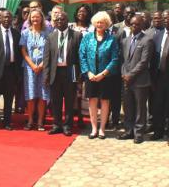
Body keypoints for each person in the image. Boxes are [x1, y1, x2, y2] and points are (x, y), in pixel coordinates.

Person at [80, 11, 119, 139]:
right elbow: (82, 56)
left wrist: (103, 73)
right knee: (92, 101)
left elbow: (115, 58)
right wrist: (88, 72)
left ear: (107, 24)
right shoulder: (87, 38)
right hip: (91, 76)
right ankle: (94, 129)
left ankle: (102, 129)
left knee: (105, 102)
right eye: (97, 22)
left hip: (106, 76)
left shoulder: (112, 39)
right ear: (94, 23)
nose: (99, 24)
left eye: (102, 22)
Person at [44, 12, 82, 136]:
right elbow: (47, 58)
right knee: (56, 101)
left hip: (70, 71)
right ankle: (56, 124)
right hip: (55, 72)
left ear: (67, 21)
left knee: (70, 101)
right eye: (57, 20)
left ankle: (67, 125)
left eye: (62, 19)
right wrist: (46, 76)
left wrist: (79, 77)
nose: (59, 21)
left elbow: (79, 58)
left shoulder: (76, 35)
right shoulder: (51, 37)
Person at [117, 15, 153, 144]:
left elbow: (144, 62)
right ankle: (128, 131)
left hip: (140, 81)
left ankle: (138, 133)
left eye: (137, 24)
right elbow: (122, 60)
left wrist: (130, 75)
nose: (134, 26)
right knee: (128, 107)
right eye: (132, 24)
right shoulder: (125, 41)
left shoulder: (147, 40)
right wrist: (124, 74)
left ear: (142, 25)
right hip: (126, 80)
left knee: (140, 108)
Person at [0, 10, 21, 131]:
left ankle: (7, 122)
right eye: (4, 17)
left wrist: (18, 74)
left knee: (8, 98)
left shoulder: (16, 33)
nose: (6, 19)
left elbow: (18, 55)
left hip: (11, 71)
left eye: (9, 17)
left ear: (12, 19)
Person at [20, 9, 51, 131]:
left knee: (43, 95)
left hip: (44, 67)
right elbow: (23, 50)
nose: (35, 19)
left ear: (42, 18)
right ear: (29, 19)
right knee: (31, 95)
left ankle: (40, 122)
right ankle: (30, 120)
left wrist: (42, 65)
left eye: (37, 17)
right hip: (29, 68)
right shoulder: (25, 33)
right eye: (33, 17)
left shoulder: (48, 32)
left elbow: (50, 51)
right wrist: (32, 65)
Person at [151, 10, 169, 141]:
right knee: (158, 105)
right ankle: (158, 131)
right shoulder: (158, 35)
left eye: (168, 17)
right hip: (159, 77)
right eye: (165, 18)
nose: (166, 20)